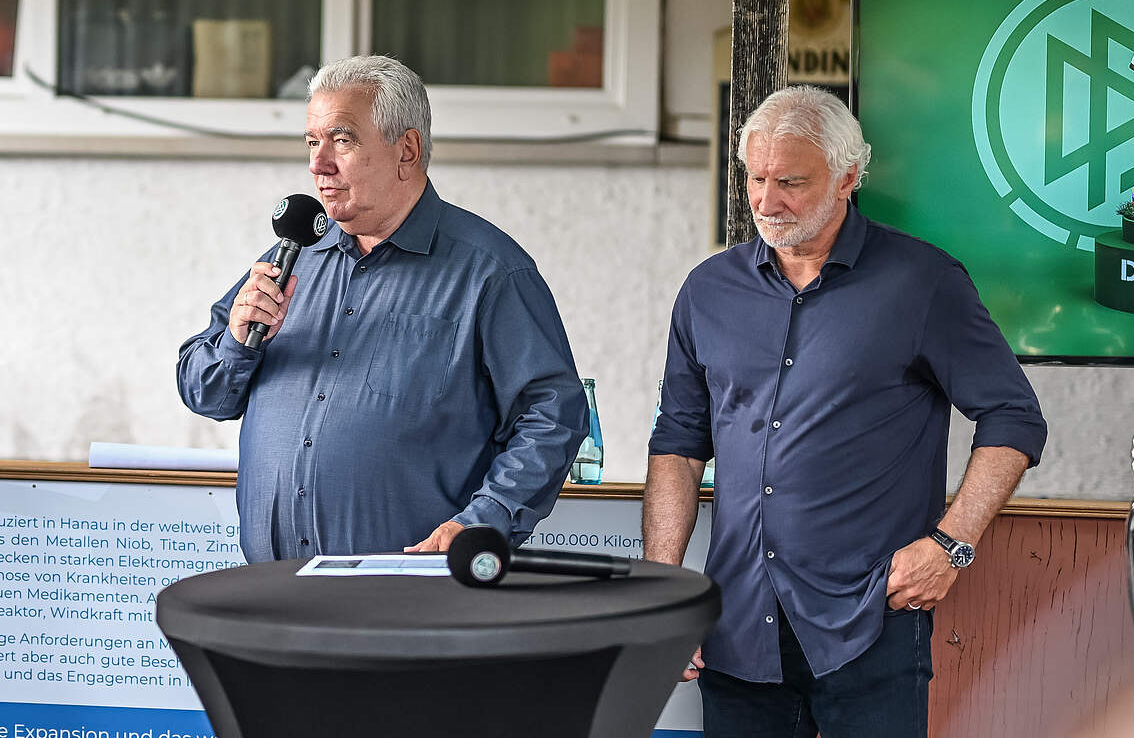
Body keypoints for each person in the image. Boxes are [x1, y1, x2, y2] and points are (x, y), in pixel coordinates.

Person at [643, 86, 1047, 737]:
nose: (767, 202)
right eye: (756, 177)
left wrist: (953, 544)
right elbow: (678, 445)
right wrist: (663, 590)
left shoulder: (923, 282)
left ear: (849, 176)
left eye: (791, 183)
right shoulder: (707, 291)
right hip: (737, 632)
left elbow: (1013, 418)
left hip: (871, 627)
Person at [177, 55, 588, 563]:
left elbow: (552, 413)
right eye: (312, 142)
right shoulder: (290, 258)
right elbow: (206, 393)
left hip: (410, 600)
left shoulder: (490, 272)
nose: (317, 164)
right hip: (277, 592)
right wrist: (237, 343)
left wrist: (486, 520)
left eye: (342, 140)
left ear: (406, 151)